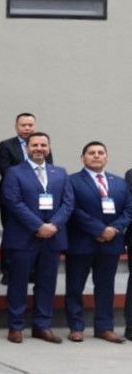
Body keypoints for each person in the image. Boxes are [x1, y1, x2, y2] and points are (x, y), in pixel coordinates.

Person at [0, 132, 73, 344]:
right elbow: (13, 202)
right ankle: (16, 326)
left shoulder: (60, 172)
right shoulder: (14, 173)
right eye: (35, 145)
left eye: (43, 145)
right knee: (18, 282)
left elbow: (68, 203)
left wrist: (53, 226)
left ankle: (42, 325)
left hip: (53, 237)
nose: (39, 148)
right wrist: (38, 226)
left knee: (47, 283)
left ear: (48, 148)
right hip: (24, 237)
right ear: (27, 148)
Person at [65, 142, 132, 343]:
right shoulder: (72, 181)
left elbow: (129, 209)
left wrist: (113, 229)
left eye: (100, 153)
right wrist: (99, 229)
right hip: (82, 241)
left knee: (105, 287)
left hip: (110, 243)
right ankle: (76, 327)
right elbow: (73, 209)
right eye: (91, 153)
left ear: (106, 157)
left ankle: (104, 327)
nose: (96, 156)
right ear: (82, 157)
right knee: (75, 286)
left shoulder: (119, 182)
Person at [0, 113, 53, 285]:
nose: (27, 128)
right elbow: (5, 171)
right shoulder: (6, 145)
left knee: (34, 232)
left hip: (37, 198)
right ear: (16, 126)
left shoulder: (41, 145)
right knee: (11, 234)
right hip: (11, 198)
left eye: (30, 125)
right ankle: (7, 271)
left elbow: (48, 171)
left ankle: (32, 271)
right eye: (23, 125)